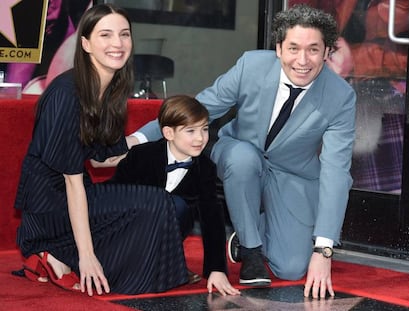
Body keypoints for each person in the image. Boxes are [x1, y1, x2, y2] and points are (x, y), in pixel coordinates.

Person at [130, 4, 356, 299]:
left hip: (292, 174)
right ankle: (250, 251)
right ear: (278, 48)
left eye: (313, 50)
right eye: (293, 48)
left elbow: (336, 171)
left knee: (290, 268)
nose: (302, 60)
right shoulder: (252, 65)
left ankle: (246, 231)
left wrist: (324, 249)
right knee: (243, 158)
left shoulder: (341, 97)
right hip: (239, 154)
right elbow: (201, 107)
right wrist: (136, 139)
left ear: (327, 52)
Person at [14, 4, 188, 296]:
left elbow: (105, 157)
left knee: (165, 202)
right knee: (155, 204)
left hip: (74, 193)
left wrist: (160, 139)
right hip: (49, 209)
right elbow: (71, 182)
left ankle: (62, 258)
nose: (117, 44)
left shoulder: (108, 89)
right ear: (85, 43)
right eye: (105, 35)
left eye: (124, 34)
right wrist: (87, 256)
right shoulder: (67, 94)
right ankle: (58, 254)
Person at [109, 95, 240, 296]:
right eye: (191, 131)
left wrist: (217, 269)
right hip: (129, 230)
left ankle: (162, 262)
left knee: (177, 205)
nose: (200, 138)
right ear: (168, 133)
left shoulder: (205, 168)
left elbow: (212, 218)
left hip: (171, 232)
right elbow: (114, 198)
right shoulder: (141, 156)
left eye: (204, 129)